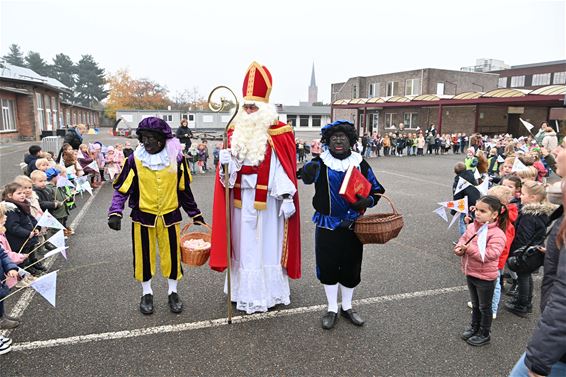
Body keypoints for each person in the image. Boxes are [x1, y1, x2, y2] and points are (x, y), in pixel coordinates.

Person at [209, 61, 301, 314]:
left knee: (266, 247)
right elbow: (226, 181)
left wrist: (287, 196)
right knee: (244, 247)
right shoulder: (234, 132)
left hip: (269, 203)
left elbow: (284, 167)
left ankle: (267, 294)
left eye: (253, 106)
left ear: (264, 108)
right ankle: (244, 293)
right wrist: (225, 164)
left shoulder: (280, 132)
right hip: (240, 203)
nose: (248, 111)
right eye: (245, 106)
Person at [108, 117, 204, 315]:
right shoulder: (135, 160)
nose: (148, 143)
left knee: (172, 257)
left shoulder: (177, 159)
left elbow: (184, 190)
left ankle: (173, 292)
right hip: (143, 217)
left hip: (170, 217)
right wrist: (115, 211)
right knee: (143, 257)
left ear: (162, 139)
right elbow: (121, 189)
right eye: (144, 138)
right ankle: (146, 293)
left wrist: (195, 213)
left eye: (152, 138)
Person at [298, 120, 384, 329]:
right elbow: (305, 178)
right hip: (327, 224)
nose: (338, 141)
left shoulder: (360, 163)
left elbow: (377, 189)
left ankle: (347, 307)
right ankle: (331, 308)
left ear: (350, 141)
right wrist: (309, 167)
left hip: (353, 225)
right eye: (334, 137)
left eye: (343, 137)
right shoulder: (321, 163)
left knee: (351, 266)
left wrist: (369, 201)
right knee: (328, 266)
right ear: (328, 141)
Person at [508, 151, 566, 377]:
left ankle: (524, 304)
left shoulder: (535, 212)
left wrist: (540, 361)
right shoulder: (557, 205)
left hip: (557, 350)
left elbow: (564, 298)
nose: (557, 152)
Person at [454, 195, 507, 346]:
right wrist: (459, 248)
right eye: (477, 209)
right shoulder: (472, 226)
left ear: (495, 214)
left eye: (482, 211)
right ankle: (474, 327)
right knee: (476, 304)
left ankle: (485, 333)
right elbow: (463, 239)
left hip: (485, 277)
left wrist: (468, 249)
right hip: (471, 272)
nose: (477, 213)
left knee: (485, 307)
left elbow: (490, 255)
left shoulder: (497, 234)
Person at [505, 181, 555, 317]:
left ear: (533, 197)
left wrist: (517, 252)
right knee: (526, 277)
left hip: (525, 252)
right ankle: (526, 301)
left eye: (523, 194)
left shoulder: (528, 215)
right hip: (535, 250)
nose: (520, 196)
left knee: (523, 277)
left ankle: (522, 305)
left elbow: (524, 237)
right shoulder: (541, 212)